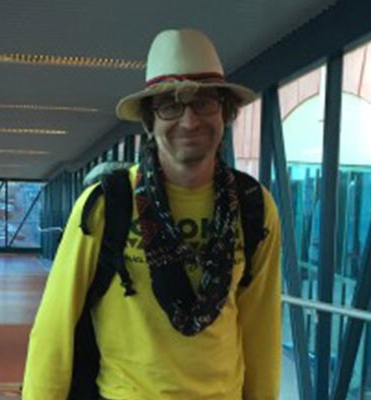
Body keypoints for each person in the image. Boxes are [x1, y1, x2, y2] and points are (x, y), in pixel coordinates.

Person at [23, 28, 282, 400]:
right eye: (171, 105)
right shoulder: (106, 205)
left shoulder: (254, 207)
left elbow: (262, 328)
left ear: (225, 112)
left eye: (204, 102)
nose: (190, 121)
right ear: (149, 121)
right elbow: (54, 327)